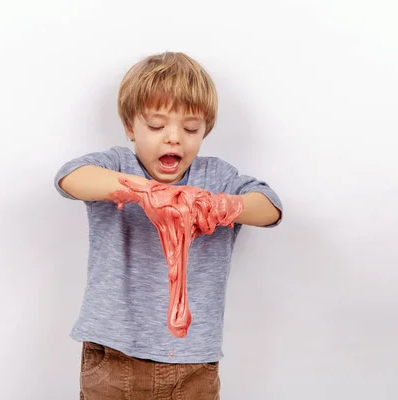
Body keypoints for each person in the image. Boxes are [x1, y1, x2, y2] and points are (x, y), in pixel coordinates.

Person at [54, 51, 283, 399]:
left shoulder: (216, 177)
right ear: (131, 127)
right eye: (157, 126)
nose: (173, 138)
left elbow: (270, 208)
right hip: (113, 357)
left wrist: (222, 205)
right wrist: (147, 192)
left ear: (205, 129)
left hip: (194, 363)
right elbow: (70, 178)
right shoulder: (117, 166)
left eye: (190, 127)